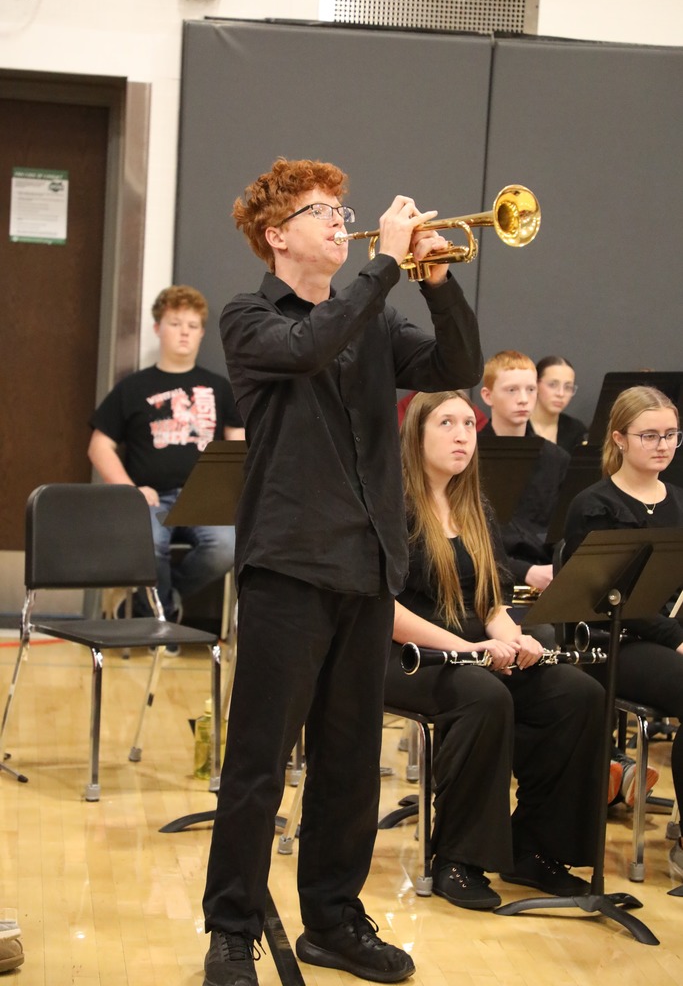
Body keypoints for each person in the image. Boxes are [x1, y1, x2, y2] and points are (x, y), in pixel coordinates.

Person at [201, 157, 484, 986]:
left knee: (350, 761)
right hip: (288, 566)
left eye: (343, 209)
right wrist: (386, 265)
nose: (340, 219)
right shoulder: (249, 317)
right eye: (322, 211)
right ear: (276, 235)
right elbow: (310, 344)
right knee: (258, 764)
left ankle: (332, 919)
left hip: (367, 568)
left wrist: (433, 282)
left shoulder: (374, 317)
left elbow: (452, 366)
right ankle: (230, 930)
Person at [384, 389, 603, 909]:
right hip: (402, 653)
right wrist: (469, 647)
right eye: (447, 424)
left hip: (473, 647)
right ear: (415, 436)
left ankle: (537, 850)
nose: (463, 435)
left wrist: (514, 636)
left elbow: (491, 603)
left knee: (578, 694)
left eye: (468, 425)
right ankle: (458, 860)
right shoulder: (390, 503)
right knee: (484, 696)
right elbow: (384, 610)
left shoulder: (473, 504)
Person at [564, 384, 683, 880]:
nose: (663, 445)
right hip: (614, 642)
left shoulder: (677, 500)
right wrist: (676, 637)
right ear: (619, 438)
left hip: (665, 638)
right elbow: (612, 602)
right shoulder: (595, 504)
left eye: (673, 435)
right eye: (649, 435)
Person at [88, 285, 244, 651]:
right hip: (149, 500)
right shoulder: (133, 387)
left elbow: (238, 444)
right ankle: (162, 623)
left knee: (225, 546)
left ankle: (159, 604)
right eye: (176, 323)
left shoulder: (219, 387)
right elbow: (99, 446)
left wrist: (225, 490)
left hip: (205, 500)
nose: (185, 331)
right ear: (158, 328)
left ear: (202, 332)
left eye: (193, 324)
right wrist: (129, 490)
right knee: (149, 544)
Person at [478, 350, 570, 597]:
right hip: (486, 581)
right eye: (511, 390)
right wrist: (524, 570)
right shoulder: (468, 457)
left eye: (530, 390)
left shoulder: (556, 458)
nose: (523, 399)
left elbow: (563, 531)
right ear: (487, 396)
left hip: (548, 581)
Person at [531, 355, 588, 453]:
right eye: (552, 385)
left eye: (568, 387)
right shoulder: (518, 426)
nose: (560, 394)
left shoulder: (576, 429)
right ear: (536, 384)